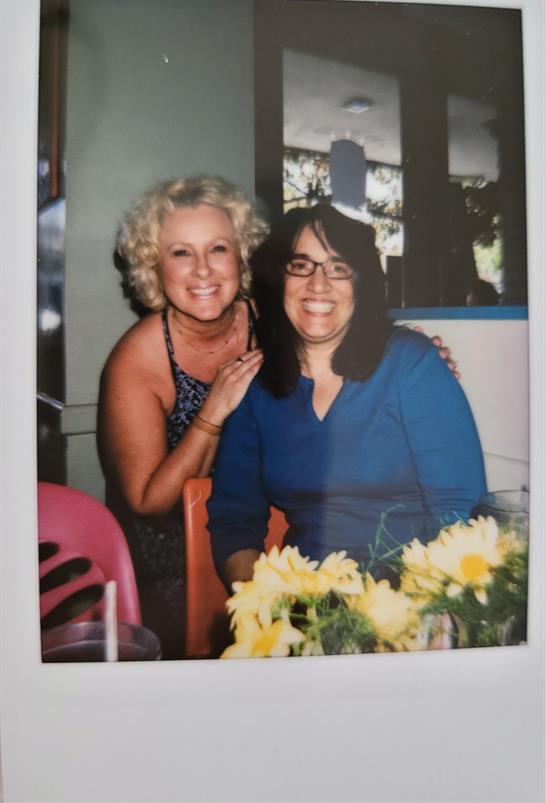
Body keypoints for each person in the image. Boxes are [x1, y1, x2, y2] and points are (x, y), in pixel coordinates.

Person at [207, 205, 487, 589]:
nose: (319, 284)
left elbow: (459, 507)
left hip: (413, 597)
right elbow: (234, 516)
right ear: (279, 279)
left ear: (362, 284)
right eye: (301, 265)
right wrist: (262, 608)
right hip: (307, 603)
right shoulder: (256, 388)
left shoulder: (413, 363)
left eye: (338, 267)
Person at [97, 176, 268, 658]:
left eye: (217, 248)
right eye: (180, 253)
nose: (202, 270)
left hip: (264, 526)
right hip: (167, 557)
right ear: (155, 264)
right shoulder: (138, 358)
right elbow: (149, 505)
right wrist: (212, 411)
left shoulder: (273, 322)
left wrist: (418, 346)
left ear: (240, 256)